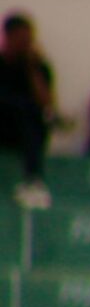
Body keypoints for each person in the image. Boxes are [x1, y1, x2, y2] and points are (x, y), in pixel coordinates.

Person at [0, 11, 62, 209]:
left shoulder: (38, 67)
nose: (25, 43)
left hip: (24, 128)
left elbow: (47, 104)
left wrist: (32, 68)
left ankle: (33, 181)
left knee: (30, 114)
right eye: (20, 38)